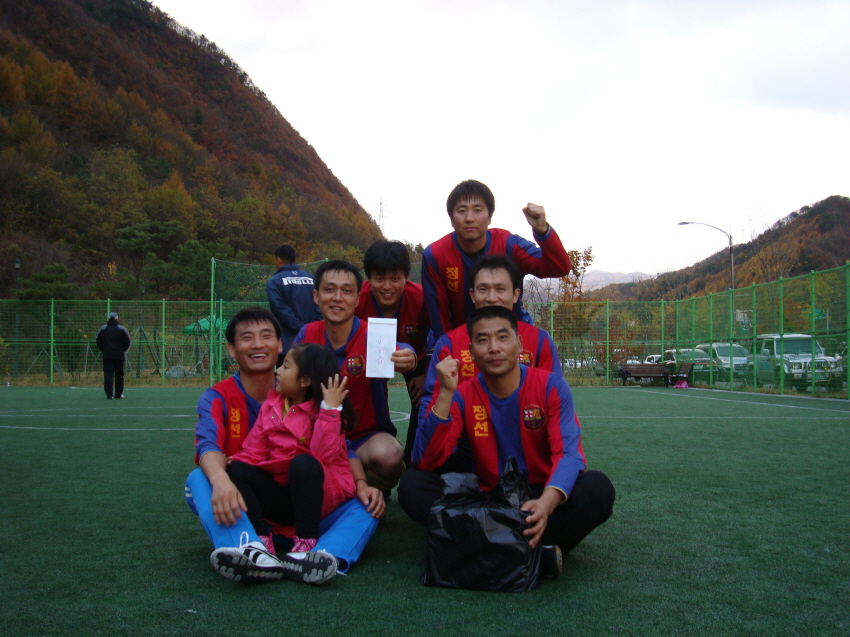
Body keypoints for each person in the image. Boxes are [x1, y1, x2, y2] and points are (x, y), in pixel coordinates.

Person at [399, 306, 615, 576]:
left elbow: (569, 455)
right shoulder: (463, 395)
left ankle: (478, 550)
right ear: (471, 351)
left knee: (597, 489)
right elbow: (426, 460)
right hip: (488, 498)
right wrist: (444, 395)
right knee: (413, 485)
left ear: (519, 344)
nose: (493, 348)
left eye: (502, 337)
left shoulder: (552, 386)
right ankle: (533, 556)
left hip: (536, 496)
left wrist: (546, 504)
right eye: (482, 340)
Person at [185, 307, 383, 584]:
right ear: (231, 349)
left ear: (280, 345)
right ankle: (250, 547)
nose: (257, 344)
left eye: (266, 336)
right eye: (246, 337)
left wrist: (361, 484)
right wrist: (222, 479)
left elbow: (339, 449)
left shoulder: (314, 401)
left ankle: (323, 556)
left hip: (312, 505)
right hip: (256, 502)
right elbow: (209, 446)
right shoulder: (220, 397)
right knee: (199, 479)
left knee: (368, 505)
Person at [294, 259, 417, 491]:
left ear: (358, 299)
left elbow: (400, 349)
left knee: (390, 455)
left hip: (365, 437)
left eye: (347, 291)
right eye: (329, 289)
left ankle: (366, 484)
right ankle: (347, 485)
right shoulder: (307, 334)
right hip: (317, 435)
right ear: (316, 296)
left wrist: (409, 355)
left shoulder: (373, 334)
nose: (337, 298)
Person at [422, 179, 572, 339]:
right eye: (462, 211)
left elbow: (559, 268)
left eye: (477, 210)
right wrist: (449, 349)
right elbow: (438, 316)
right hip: (465, 339)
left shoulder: (510, 245)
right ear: (451, 219)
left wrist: (543, 230)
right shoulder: (435, 255)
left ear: (489, 217)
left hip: (513, 335)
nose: (469, 218)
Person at [355, 240, 430, 465]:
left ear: (406, 277)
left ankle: (414, 460)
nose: (387, 286)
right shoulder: (357, 299)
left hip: (417, 356)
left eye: (395, 279)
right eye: (379, 279)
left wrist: (426, 373)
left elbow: (440, 335)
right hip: (370, 356)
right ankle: (376, 450)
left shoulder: (421, 297)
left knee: (426, 393)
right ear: (368, 278)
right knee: (369, 393)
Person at [265, 244, 321, 355]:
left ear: (278, 260)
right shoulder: (311, 278)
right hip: (313, 342)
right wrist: (311, 327)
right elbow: (320, 304)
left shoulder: (274, 281)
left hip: (287, 344)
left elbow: (279, 308)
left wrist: (299, 327)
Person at [95, 311, 131, 400]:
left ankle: (109, 394)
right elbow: (127, 341)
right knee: (119, 374)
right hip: (119, 355)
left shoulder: (103, 328)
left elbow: (98, 340)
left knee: (108, 374)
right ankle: (118, 394)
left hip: (107, 355)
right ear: (117, 318)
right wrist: (122, 350)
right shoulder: (122, 329)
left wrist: (104, 350)